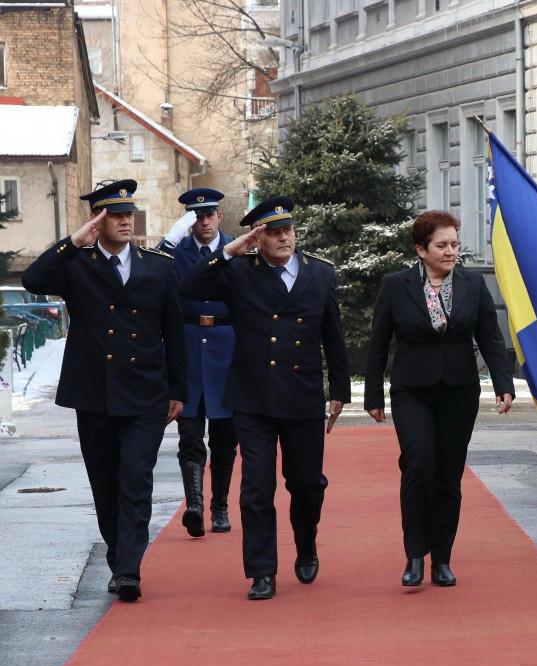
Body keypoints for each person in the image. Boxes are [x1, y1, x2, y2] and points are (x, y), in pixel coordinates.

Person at [22, 179, 187, 602]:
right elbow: (33, 278)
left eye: (129, 213)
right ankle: (119, 553)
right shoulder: (76, 265)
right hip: (94, 392)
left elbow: (174, 332)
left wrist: (179, 388)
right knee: (105, 482)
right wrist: (74, 242)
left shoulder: (158, 266)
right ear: (98, 220)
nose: (126, 221)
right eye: (115, 215)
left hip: (145, 391)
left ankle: (129, 568)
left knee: (136, 478)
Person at [179, 196, 351, 601]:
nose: (284, 238)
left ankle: (306, 544)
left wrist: (339, 391)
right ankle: (261, 571)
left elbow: (333, 336)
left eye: (288, 230)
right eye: (273, 233)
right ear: (258, 239)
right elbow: (189, 287)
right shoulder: (239, 271)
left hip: (303, 396)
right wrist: (229, 250)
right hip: (253, 396)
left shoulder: (320, 274)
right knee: (256, 488)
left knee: (307, 484)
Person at [363, 210, 514, 588]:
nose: (450, 252)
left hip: (459, 392)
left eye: (455, 245)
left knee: (448, 476)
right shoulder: (396, 286)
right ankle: (415, 555)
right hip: (412, 390)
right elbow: (378, 343)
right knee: (418, 466)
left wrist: (503, 384)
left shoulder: (472, 285)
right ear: (420, 249)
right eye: (441, 245)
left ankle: (442, 558)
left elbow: (491, 339)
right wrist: (372, 395)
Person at [158, 188, 238, 536]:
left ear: (219, 217)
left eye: (209, 215)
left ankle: (219, 507)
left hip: (226, 347)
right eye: (197, 216)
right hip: (188, 347)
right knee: (189, 434)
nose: (203, 221)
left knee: (224, 439)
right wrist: (168, 242)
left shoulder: (237, 249)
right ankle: (194, 504)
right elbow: (155, 273)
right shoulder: (178, 253)